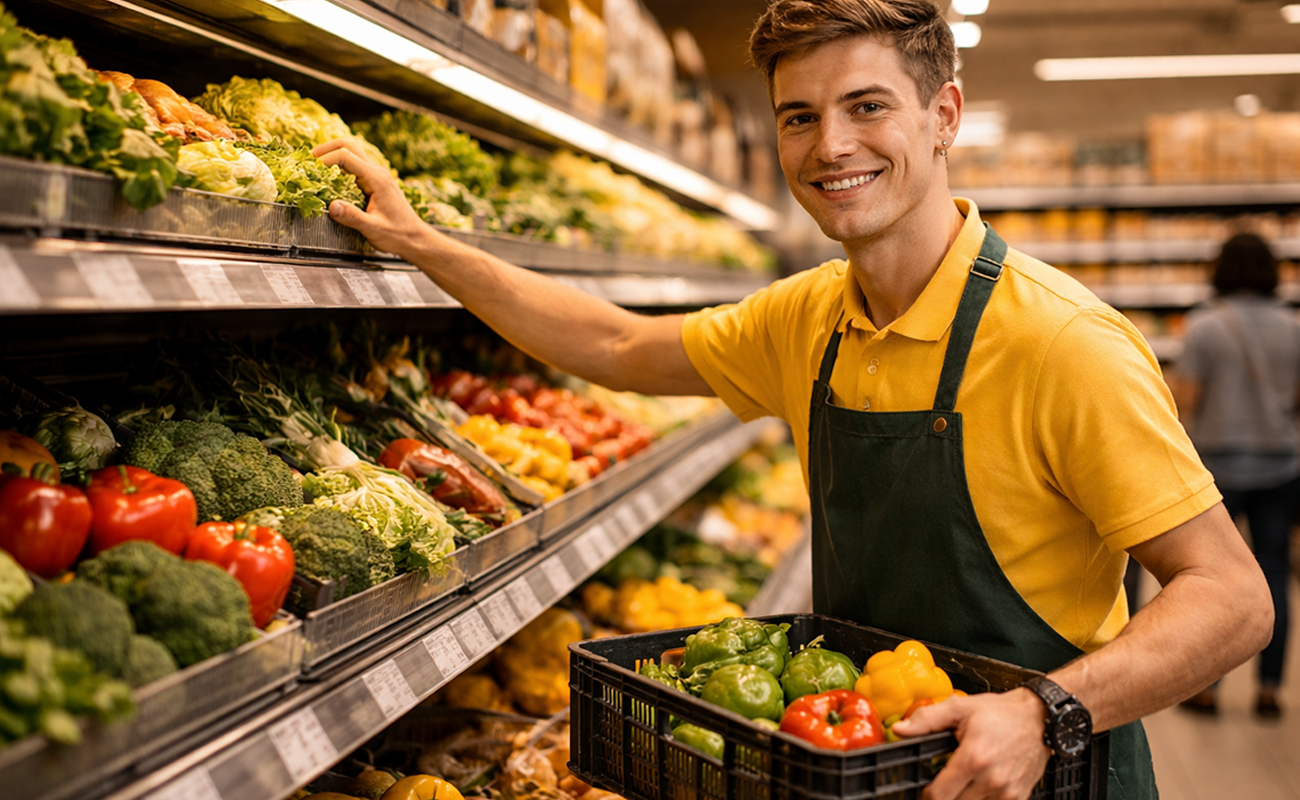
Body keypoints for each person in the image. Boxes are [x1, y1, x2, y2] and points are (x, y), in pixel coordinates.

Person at [313, 1, 1273, 797]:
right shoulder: (807, 318)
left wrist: (1042, 713)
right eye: (799, 116)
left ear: (944, 115)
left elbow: (1232, 598)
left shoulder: (1065, 343)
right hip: (857, 757)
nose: (830, 146)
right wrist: (426, 245)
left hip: (1048, 775)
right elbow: (610, 341)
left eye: (866, 107)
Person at [1168, 232, 1299, 719]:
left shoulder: (1205, 326)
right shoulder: (1294, 326)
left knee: (1212, 580)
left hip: (1216, 469)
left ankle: (1209, 689)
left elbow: (1187, 400)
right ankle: (1269, 689)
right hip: (1281, 466)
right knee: (1274, 574)